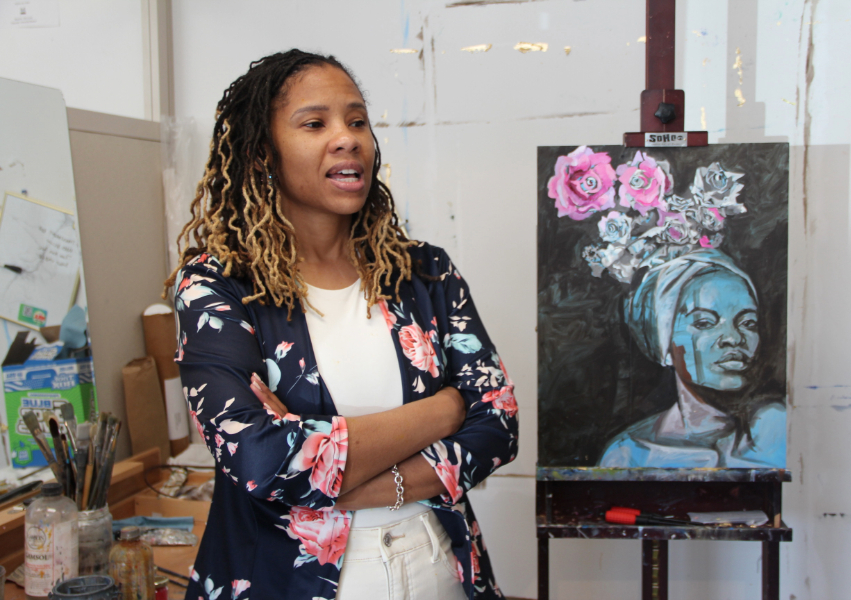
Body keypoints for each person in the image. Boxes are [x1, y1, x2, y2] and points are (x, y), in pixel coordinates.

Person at [164, 49, 518, 600]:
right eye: (315, 123)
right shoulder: (219, 286)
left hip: (436, 567)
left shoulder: (424, 271)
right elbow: (262, 460)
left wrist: (337, 470)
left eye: (357, 121)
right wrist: (446, 408)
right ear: (263, 153)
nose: (347, 137)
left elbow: (497, 424)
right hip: (281, 581)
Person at [598, 248, 784, 468]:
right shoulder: (628, 454)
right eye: (705, 323)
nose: (733, 338)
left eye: (747, 323)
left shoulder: (778, 428)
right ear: (664, 343)